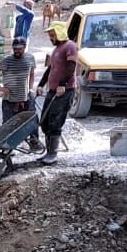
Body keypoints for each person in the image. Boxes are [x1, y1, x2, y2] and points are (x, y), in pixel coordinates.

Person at [0, 34, 42, 153]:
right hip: (9, 99)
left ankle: (34, 143)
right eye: (15, 49)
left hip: (25, 97)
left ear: (24, 47)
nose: (17, 51)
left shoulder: (30, 58)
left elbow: (32, 74)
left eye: (19, 49)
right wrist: (0, 88)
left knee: (32, 120)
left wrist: (30, 88)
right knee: (8, 125)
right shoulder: (6, 61)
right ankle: (7, 148)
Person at [37, 20, 77, 165]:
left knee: (55, 122)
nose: (50, 38)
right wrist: (41, 84)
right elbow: (50, 69)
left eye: (52, 35)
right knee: (45, 122)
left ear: (59, 33)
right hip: (52, 90)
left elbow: (71, 66)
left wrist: (63, 85)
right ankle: (48, 152)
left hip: (64, 91)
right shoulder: (56, 49)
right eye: (50, 35)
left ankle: (53, 154)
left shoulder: (70, 46)